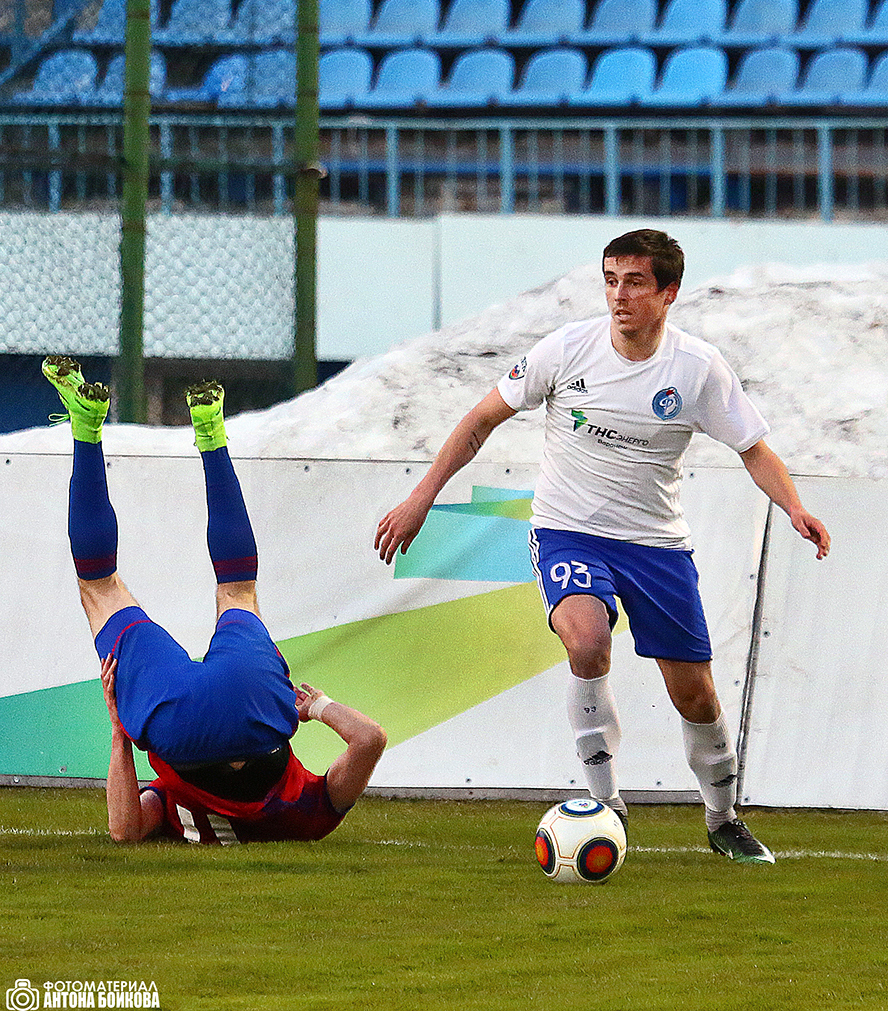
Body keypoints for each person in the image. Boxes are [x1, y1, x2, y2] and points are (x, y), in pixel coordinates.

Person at [375, 229, 830, 864]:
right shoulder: (566, 350)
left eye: (635, 282)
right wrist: (421, 497)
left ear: (668, 293)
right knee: (587, 640)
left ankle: (723, 818)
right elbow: (479, 421)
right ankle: (605, 805)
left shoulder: (697, 368)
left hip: (656, 546)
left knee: (694, 694)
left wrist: (794, 506)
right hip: (568, 530)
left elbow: (754, 450)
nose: (619, 295)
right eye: (611, 280)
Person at [44, 357, 386, 845]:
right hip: (182, 724)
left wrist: (318, 706)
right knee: (99, 586)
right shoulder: (182, 810)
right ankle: (85, 428)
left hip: (255, 706)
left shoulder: (311, 818)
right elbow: (124, 830)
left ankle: (210, 433)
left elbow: (369, 739)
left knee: (237, 586)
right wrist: (120, 730)